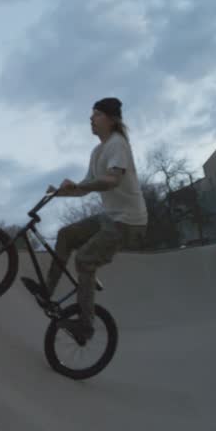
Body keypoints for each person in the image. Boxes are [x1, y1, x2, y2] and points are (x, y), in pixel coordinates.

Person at [42, 97, 148, 329]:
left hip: (129, 222)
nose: (91, 118)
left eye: (97, 114)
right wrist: (60, 192)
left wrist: (80, 187)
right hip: (111, 217)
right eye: (92, 115)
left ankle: (85, 323)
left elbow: (112, 180)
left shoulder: (118, 144)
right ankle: (46, 291)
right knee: (65, 235)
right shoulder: (97, 151)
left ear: (111, 120)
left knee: (84, 260)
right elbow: (85, 187)